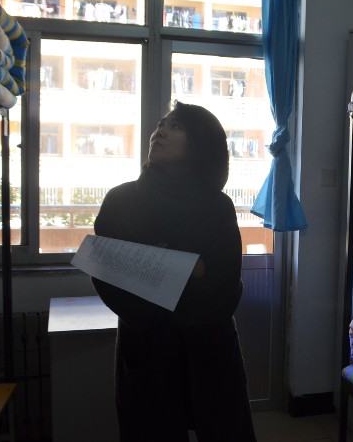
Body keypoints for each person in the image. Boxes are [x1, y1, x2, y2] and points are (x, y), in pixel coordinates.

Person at [92, 101, 256, 442]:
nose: (160, 131)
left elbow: (225, 290)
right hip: (145, 347)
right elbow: (111, 279)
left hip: (210, 349)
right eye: (161, 124)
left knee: (224, 429)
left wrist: (150, 265)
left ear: (200, 143)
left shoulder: (217, 207)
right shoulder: (121, 201)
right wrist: (191, 268)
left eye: (176, 126)